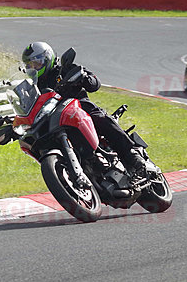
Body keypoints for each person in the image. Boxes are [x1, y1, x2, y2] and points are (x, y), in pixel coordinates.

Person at [21, 41, 147, 179]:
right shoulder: (34, 87)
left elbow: (95, 84)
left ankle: (132, 153)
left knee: (99, 117)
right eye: (30, 65)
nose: (33, 68)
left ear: (47, 59)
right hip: (54, 119)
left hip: (79, 108)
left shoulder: (64, 69)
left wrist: (84, 77)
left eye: (36, 64)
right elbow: (27, 106)